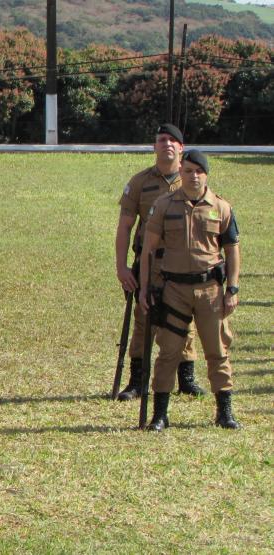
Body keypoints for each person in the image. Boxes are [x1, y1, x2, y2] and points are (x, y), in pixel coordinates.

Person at [139, 149, 241, 430]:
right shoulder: (164, 205)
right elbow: (148, 249)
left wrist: (232, 289)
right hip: (174, 291)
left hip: (210, 291)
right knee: (169, 351)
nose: (193, 176)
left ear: (206, 174)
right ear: (181, 172)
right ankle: (160, 414)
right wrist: (145, 288)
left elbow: (232, 251)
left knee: (217, 351)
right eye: (188, 171)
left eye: (199, 171)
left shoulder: (222, 207)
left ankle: (224, 412)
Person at [115, 123, 203, 401]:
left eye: (172, 141)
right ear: (154, 147)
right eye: (161, 139)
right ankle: (137, 380)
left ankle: (186, 378)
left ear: (181, 148)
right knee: (144, 319)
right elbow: (125, 227)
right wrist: (122, 266)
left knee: (184, 319)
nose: (166, 144)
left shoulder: (191, 180)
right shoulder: (140, 182)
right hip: (149, 263)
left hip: (182, 263)